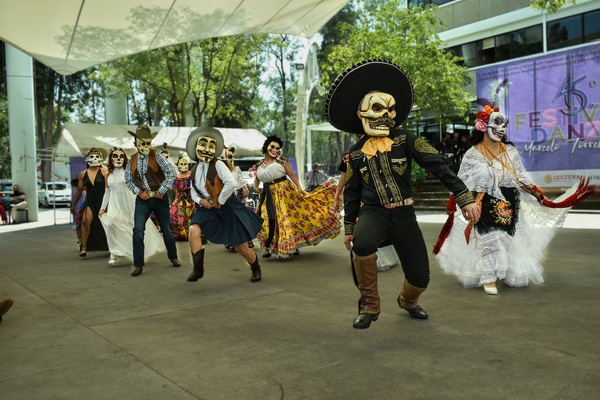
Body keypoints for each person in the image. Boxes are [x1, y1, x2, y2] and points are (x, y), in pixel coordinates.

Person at [325, 59, 481, 329]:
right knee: (361, 245)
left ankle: (408, 301)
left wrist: (464, 197)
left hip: (405, 214)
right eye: (376, 108)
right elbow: (352, 194)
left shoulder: (407, 139)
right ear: (361, 113)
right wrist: (349, 227)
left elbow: (439, 165)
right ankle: (370, 306)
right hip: (373, 212)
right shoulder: (353, 155)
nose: (384, 115)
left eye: (390, 109)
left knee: (421, 278)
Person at [434, 104, 595, 295]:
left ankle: (502, 272)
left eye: (505, 125)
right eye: (498, 123)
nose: (502, 129)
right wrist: (453, 203)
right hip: (482, 202)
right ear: (484, 126)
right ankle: (489, 278)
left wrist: (539, 195)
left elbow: (522, 179)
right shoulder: (472, 154)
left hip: (509, 203)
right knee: (489, 239)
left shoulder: (510, 152)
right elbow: (462, 181)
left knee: (505, 240)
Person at [185, 127, 264, 283]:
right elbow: (193, 190)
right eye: (203, 145)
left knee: (241, 248)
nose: (207, 150)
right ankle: (197, 268)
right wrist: (200, 201)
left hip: (227, 207)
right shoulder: (193, 169)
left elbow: (231, 183)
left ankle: (255, 267)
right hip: (208, 207)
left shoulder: (219, 165)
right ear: (195, 147)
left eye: (211, 147)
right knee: (193, 229)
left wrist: (219, 201)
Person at [253, 135, 341, 258]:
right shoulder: (259, 164)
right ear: (266, 147)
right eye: (272, 146)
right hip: (268, 195)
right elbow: (257, 179)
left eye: (277, 148)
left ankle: (291, 245)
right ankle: (268, 247)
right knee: (267, 221)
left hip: (284, 193)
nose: (274, 149)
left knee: (289, 219)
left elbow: (292, 175)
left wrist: (299, 187)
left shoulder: (281, 160)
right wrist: (256, 187)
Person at [125, 125, 180, 277]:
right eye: (142, 142)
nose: (145, 146)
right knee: (138, 230)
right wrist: (139, 192)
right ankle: (138, 264)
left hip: (159, 199)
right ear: (135, 143)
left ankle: (173, 256)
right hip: (143, 200)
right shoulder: (132, 160)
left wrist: (162, 191)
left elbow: (171, 173)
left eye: (148, 142)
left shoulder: (157, 156)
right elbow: (128, 181)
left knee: (167, 231)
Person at [99, 147, 166, 265]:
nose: (118, 159)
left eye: (121, 156)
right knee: (110, 224)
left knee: (133, 227)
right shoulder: (107, 174)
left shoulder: (129, 171)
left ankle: (139, 253)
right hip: (115, 203)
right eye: (115, 156)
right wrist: (103, 208)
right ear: (111, 158)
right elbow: (107, 192)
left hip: (129, 202)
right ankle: (114, 252)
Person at [71, 149, 109, 256]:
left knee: (107, 224)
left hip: (103, 201)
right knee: (85, 221)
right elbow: (79, 190)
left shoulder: (104, 171)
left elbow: (109, 189)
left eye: (97, 156)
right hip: (90, 201)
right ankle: (83, 247)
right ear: (87, 159)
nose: (95, 159)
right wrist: (74, 205)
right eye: (92, 157)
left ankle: (111, 245)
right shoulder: (83, 174)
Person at [223, 146, 254, 250]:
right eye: (226, 157)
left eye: (230, 157)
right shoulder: (221, 171)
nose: (228, 160)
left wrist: (246, 189)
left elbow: (241, 179)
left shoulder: (237, 169)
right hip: (228, 196)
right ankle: (232, 242)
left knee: (240, 217)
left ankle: (243, 241)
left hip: (239, 194)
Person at [170, 155, 194, 241]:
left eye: (185, 164)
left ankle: (187, 234)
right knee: (175, 214)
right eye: (181, 164)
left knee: (188, 217)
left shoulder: (191, 175)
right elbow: (177, 191)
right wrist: (175, 201)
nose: (183, 166)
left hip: (189, 199)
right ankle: (180, 234)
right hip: (180, 199)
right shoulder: (177, 177)